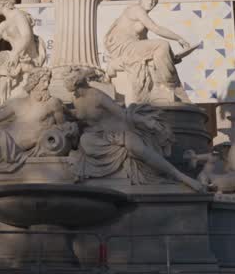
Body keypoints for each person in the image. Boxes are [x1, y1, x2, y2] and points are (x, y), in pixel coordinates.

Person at [65, 72, 207, 192]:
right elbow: (81, 116)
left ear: (81, 85)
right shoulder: (75, 99)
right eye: (73, 91)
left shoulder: (97, 96)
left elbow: (122, 113)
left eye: (76, 89)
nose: (75, 93)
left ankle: (181, 177)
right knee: (85, 141)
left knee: (138, 149)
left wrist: (146, 121)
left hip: (118, 131)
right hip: (96, 134)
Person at [103, 0, 195, 104]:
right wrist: (179, 38)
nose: (151, 3)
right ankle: (167, 85)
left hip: (132, 46)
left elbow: (146, 44)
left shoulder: (143, 23)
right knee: (162, 44)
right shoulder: (136, 9)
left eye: (154, 2)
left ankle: (170, 88)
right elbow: (156, 29)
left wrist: (170, 58)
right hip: (124, 47)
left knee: (161, 50)